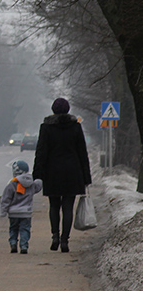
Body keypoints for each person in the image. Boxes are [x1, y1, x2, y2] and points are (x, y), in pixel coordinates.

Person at [32, 97, 92, 253]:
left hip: (53, 172)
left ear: (53, 110)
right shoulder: (75, 127)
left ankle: (55, 236)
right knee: (68, 207)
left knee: (54, 206)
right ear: (68, 110)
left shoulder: (46, 127)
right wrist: (86, 177)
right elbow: (82, 153)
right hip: (73, 172)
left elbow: (41, 152)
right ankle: (65, 240)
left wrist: (38, 174)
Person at [0, 160, 43, 254]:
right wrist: (39, 177)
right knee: (25, 229)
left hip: (13, 213)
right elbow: (39, 185)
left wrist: (3, 211)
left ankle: (13, 243)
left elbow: (5, 199)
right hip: (26, 213)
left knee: (13, 229)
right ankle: (24, 246)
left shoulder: (11, 185)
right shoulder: (31, 184)